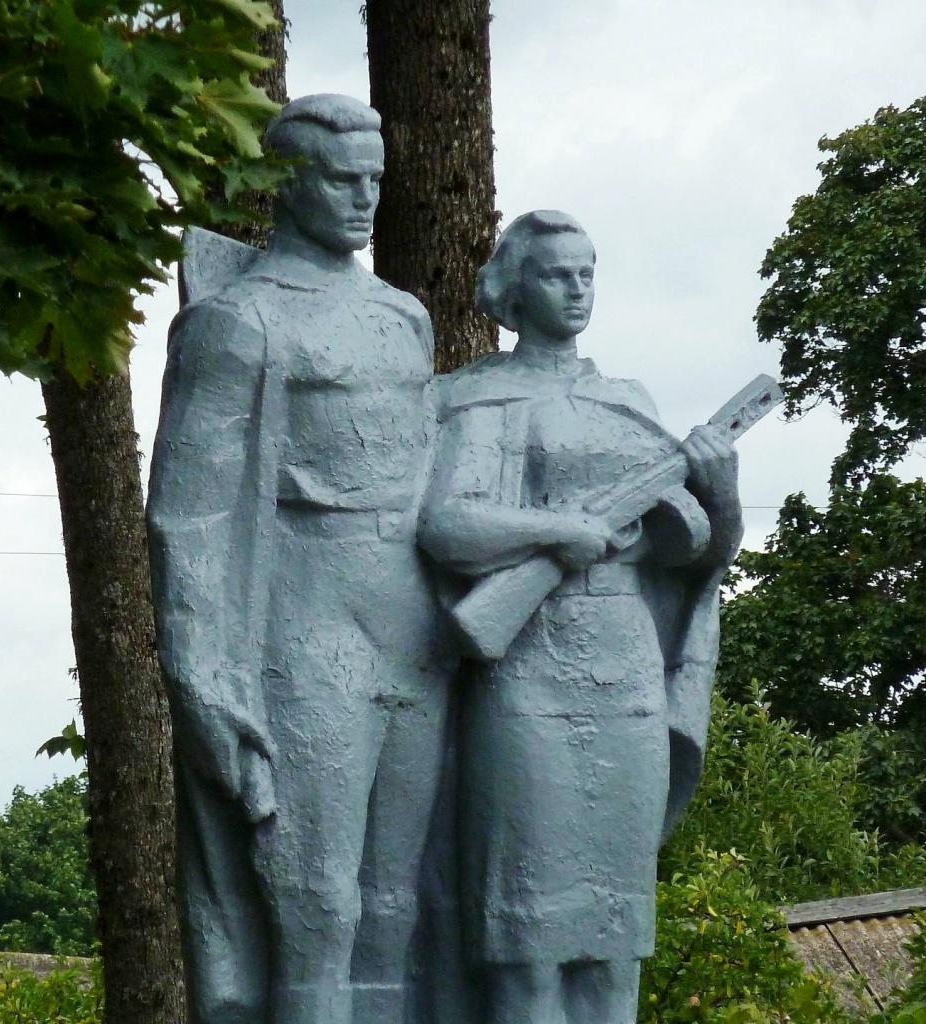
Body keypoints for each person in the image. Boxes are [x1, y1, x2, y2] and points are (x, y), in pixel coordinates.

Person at [146, 94, 452, 1024]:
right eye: (341, 179)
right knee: (317, 903)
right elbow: (186, 522)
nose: (365, 198)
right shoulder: (239, 323)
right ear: (287, 184)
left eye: (375, 179)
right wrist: (204, 682)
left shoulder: (405, 317)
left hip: (414, 632)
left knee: (398, 904)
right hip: (305, 633)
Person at [417, 210, 742, 1024]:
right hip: (525, 671)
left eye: (587, 272)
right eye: (558, 273)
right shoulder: (475, 396)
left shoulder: (628, 402)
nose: (576, 288)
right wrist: (559, 532)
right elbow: (447, 527)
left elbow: (698, 556)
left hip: (626, 668)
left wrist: (722, 489)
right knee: (527, 942)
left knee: (613, 938)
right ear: (514, 288)